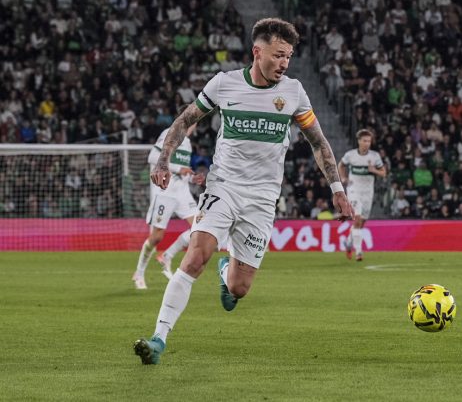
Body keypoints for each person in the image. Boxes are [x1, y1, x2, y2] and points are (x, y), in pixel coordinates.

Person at [134, 18, 354, 365]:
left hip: (263, 199)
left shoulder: (293, 92)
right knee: (195, 258)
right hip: (224, 187)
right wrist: (163, 160)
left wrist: (337, 189)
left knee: (239, 288)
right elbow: (185, 120)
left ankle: (227, 270)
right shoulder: (225, 84)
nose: (284, 63)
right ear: (257, 52)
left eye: (288, 56)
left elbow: (318, 141)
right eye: (278, 55)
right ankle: (158, 339)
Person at [132, 121, 205, 289]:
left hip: (182, 192)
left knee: (199, 229)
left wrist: (192, 178)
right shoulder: (170, 133)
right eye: (193, 121)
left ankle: (167, 256)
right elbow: (152, 157)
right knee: (157, 237)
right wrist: (179, 169)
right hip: (164, 192)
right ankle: (139, 273)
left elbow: (182, 172)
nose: (194, 126)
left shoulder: (187, 143)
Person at [338, 129, 387, 261]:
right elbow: (341, 165)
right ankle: (359, 252)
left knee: (361, 223)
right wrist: (343, 177)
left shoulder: (375, 156)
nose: (367, 143)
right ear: (359, 141)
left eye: (369, 141)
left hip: (368, 192)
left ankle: (348, 243)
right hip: (353, 190)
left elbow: (383, 173)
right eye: (364, 141)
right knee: (358, 220)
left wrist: (373, 170)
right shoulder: (350, 155)